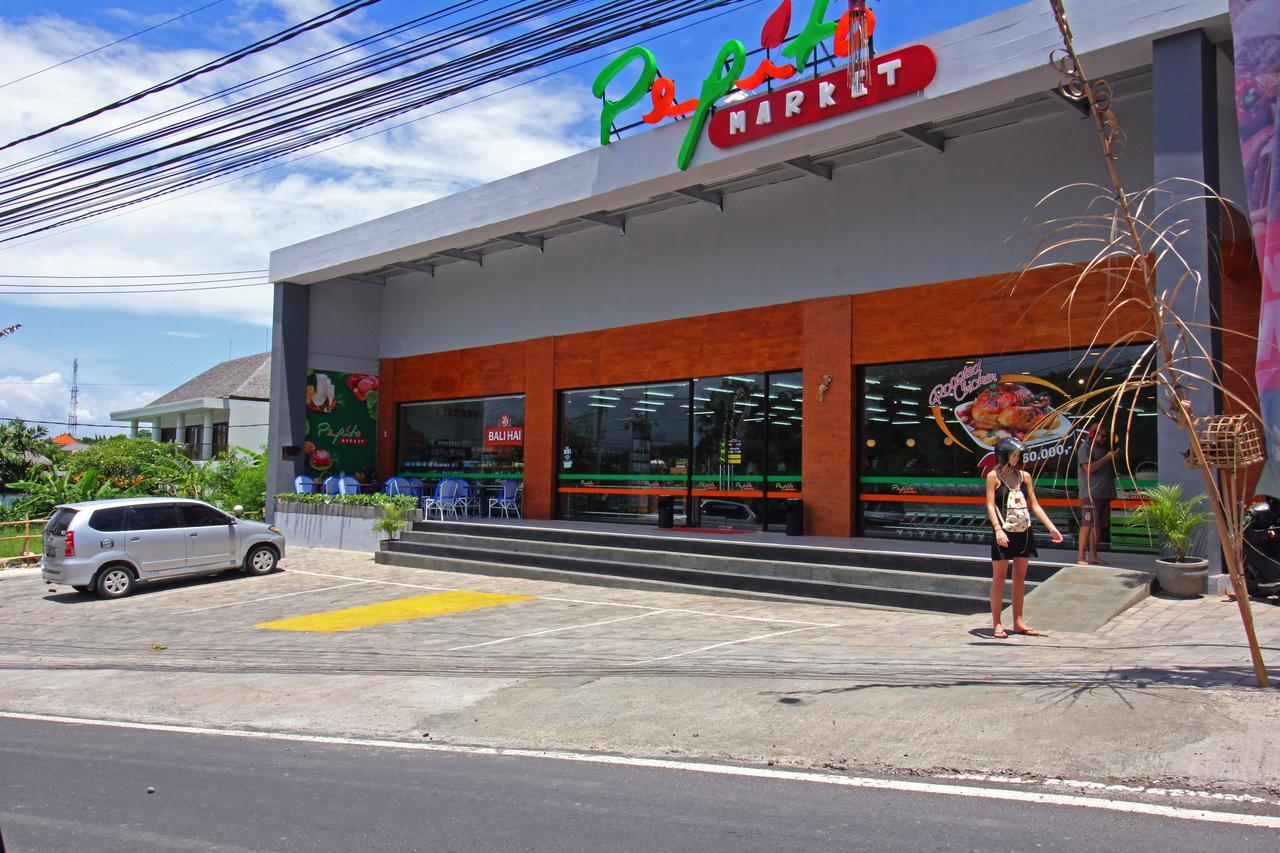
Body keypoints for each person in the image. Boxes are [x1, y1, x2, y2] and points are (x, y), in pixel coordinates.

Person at [986, 437, 1063, 639]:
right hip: (1004, 531)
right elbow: (990, 505)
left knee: (1019, 579)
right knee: (999, 579)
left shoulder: (1025, 476)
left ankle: (1018, 622)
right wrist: (997, 529)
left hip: (1024, 530)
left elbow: (1034, 505)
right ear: (1003, 455)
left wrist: (1051, 527)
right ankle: (997, 623)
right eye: (1013, 454)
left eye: (1018, 454)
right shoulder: (993, 476)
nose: (1017, 457)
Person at [1076, 424, 1118, 565]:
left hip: (1103, 493)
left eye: (1106, 436)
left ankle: (1093, 555)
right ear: (1094, 434)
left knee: (1098, 525)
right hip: (1090, 492)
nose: (1104, 439)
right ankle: (1081, 556)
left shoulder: (1102, 448)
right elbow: (1088, 468)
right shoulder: (1085, 448)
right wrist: (1106, 458)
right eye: (1102, 435)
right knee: (1087, 523)